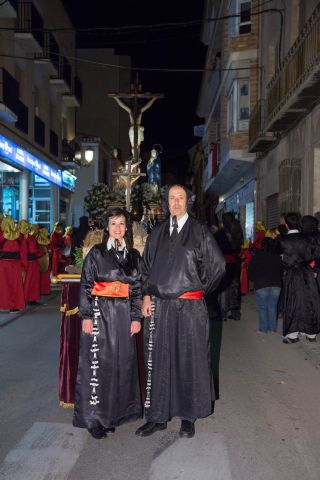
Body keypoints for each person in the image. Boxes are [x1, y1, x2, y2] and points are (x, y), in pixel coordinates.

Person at [135, 185, 225, 439]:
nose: (176, 202)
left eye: (181, 198)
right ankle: (157, 416)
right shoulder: (158, 233)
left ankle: (188, 415)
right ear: (167, 202)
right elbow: (145, 268)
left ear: (189, 201)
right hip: (160, 307)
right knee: (157, 359)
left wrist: (197, 290)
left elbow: (217, 266)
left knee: (190, 358)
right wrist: (146, 295)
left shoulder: (200, 232)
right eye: (171, 198)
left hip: (190, 308)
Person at [73, 207, 142, 439]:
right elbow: (86, 284)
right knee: (98, 367)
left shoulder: (133, 256)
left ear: (127, 227)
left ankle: (113, 415)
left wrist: (135, 317)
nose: (118, 228)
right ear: (107, 227)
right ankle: (94, 418)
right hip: (100, 314)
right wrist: (86, 316)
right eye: (113, 223)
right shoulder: (96, 253)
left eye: (122, 224)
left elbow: (138, 289)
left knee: (121, 364)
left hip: (123, 317)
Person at [279, 212, 320, 344]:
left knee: (292, 301)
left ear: (286, 224)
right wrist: (313, 269)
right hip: (307, 272)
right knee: (310, 301)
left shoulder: (283, 240)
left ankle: (293, 335)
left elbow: (282, 259)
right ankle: (311, 333)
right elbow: (314, 256)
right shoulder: (308, 238)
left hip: (292, 273)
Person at [248, 236, 283, 333]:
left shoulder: (257, 256)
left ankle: (263, 329)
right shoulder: (277, 257)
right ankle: (272, 329)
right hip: (276, 284)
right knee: (273, 307)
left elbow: (250, 271)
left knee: (262, 307)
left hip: (261, 284)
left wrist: (254, 279)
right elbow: (281, 271)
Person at [214, 212, 243, 321]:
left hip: (223, 263)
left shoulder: (219, 234)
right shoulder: (238, 232)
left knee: (223, 287)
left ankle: (222, 312)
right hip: (235, 263)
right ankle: (235, 312)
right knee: (235, 286)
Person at [0, 217, 28, 312]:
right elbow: (23, 254)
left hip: (2, 265)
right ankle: (13, 307)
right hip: (15, 265)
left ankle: (3, 304)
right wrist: (24, 266)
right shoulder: (20, 237)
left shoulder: (1, 236)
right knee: (15, 286)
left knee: (3, 286)